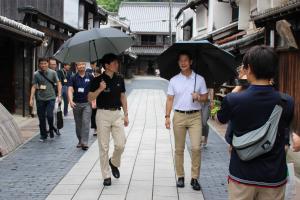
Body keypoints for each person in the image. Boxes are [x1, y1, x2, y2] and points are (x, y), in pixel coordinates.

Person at [217, 45, 294, 200]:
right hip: (273, 177)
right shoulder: (287, 101)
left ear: (249, 69)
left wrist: (239, 86)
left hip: (242, 175)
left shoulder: (234, 100)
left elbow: (221, 118)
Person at [165, 51, 208, 191]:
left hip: (195, 116)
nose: (183, 63)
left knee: (196, 148)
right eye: (180, 61)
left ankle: (195, 178)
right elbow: (170, 99)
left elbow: (206, 98)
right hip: (178, 116)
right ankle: (181, 176)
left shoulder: (199, 79)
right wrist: (167, 116)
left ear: (191, 62)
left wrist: (198, 97)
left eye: (185, 60)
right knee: (179, 149)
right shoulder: (173, 80)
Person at [88, 53, 128, 187]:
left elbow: (123, 97)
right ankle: (106, 175)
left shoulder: (120, 78)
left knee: (120, 144)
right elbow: (90, 98)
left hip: (117, 114)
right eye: (115, 63)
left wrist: (126, 114)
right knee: (103, 147)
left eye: (117, 63)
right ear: (107, 65)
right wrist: (100, 89)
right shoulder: (97, 80)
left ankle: (114, 162)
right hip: (102, 115)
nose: (117, 65)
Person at [29, 58, 62, 142]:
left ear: (48, 64)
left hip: (51, 98)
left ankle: (51, 128)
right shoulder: (36, 74)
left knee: (50, 115)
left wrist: (59, 95)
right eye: (41, 64)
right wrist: (31, 99)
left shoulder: (53, 73)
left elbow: (58, 84)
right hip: (40, 98)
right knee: (41, 118)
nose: (43, 65)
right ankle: (43, 135)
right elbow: (33, 86)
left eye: (45, 63)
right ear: (39, 64)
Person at [68, 62, 93, 150]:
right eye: (79, 65)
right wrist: (70, 101)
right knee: (78, 124)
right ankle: (80, 140)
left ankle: (85, 142)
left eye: (83, 64)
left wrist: (94, 100)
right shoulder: (73, 77)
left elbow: (94, 89)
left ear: (85, 66)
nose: (81, 66)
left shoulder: (90, 76)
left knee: (86, 122)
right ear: (76, 66)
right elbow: (70, 89)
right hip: (76, 104)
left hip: (87, 103)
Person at [91, 67, 102, 136]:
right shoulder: (92, 80)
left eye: (97, 74)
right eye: (95, 74)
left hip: (101, 100)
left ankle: (100, 128)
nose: (96, 75)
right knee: (94, 115)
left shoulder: (102, 81)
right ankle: (95, 129)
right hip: (94, 100)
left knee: (100, 115)